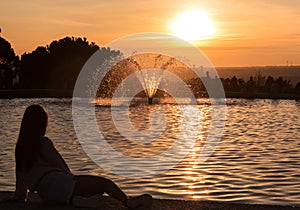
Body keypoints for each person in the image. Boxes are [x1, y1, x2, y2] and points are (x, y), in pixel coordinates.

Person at [14, 104, 153, 208]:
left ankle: (79, 200)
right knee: (103, 183)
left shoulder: (20, 149)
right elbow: (61, 166)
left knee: (78, 191)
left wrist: (19, 197)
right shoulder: (43, 143)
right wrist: (72, 178)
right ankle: (128, 202)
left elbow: (21, 181)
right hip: (61, 183)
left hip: (47, 195)